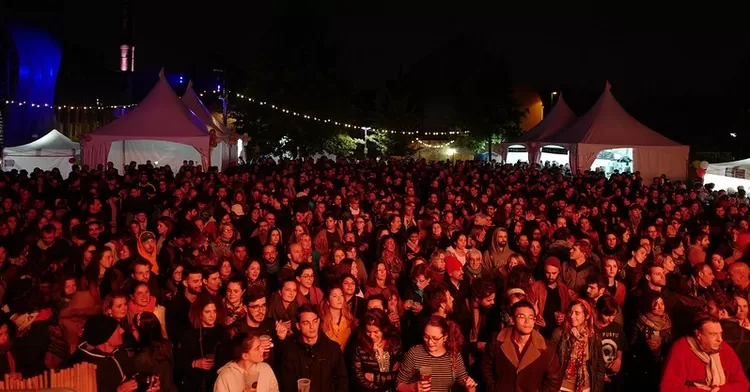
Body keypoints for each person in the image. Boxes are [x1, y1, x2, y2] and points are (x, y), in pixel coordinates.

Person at [481, 300, 562, 392]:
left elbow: (554, 381)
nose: (527, 321)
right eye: (521, 316)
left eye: (531, 317)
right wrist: (494, 389)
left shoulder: (547, 348)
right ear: (512, 320)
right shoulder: (496, 341)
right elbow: (486, 368)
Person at [71, 314, 160, 392]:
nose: (122, 331)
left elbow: (130, 376)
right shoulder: (82, 367)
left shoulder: (119, 351)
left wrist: (147, 382)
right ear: (106, 338)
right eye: (118, 329)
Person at [661, 313, 749, 392]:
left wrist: (720, 390)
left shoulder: (724, 348)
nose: (720, 339)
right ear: (698, 334)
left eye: (720, 334)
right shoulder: (681, 348)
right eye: (713, 334)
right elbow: (667, 388)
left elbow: (743, 384)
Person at [278, 303, 349, 392]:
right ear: (298, 326)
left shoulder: (332, 349)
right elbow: (286, 385)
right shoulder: (290, 351)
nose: (312, 327)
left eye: (314, 321)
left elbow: (342, 382)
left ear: (319, 321)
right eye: (306, 323)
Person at [396, 316, 477, 392]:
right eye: (426, 337)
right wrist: (413, 387)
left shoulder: (453, 355)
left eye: (435, 338)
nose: (430, 342)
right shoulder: (415, 353)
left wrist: (470, 386)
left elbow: (467, 385)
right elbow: (398, 385)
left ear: (445, 337)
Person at [214, 332, 279, 392]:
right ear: (245, 356)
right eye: (257, 348)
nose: (262, 350)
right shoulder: (225, 376)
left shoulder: (265, 369)